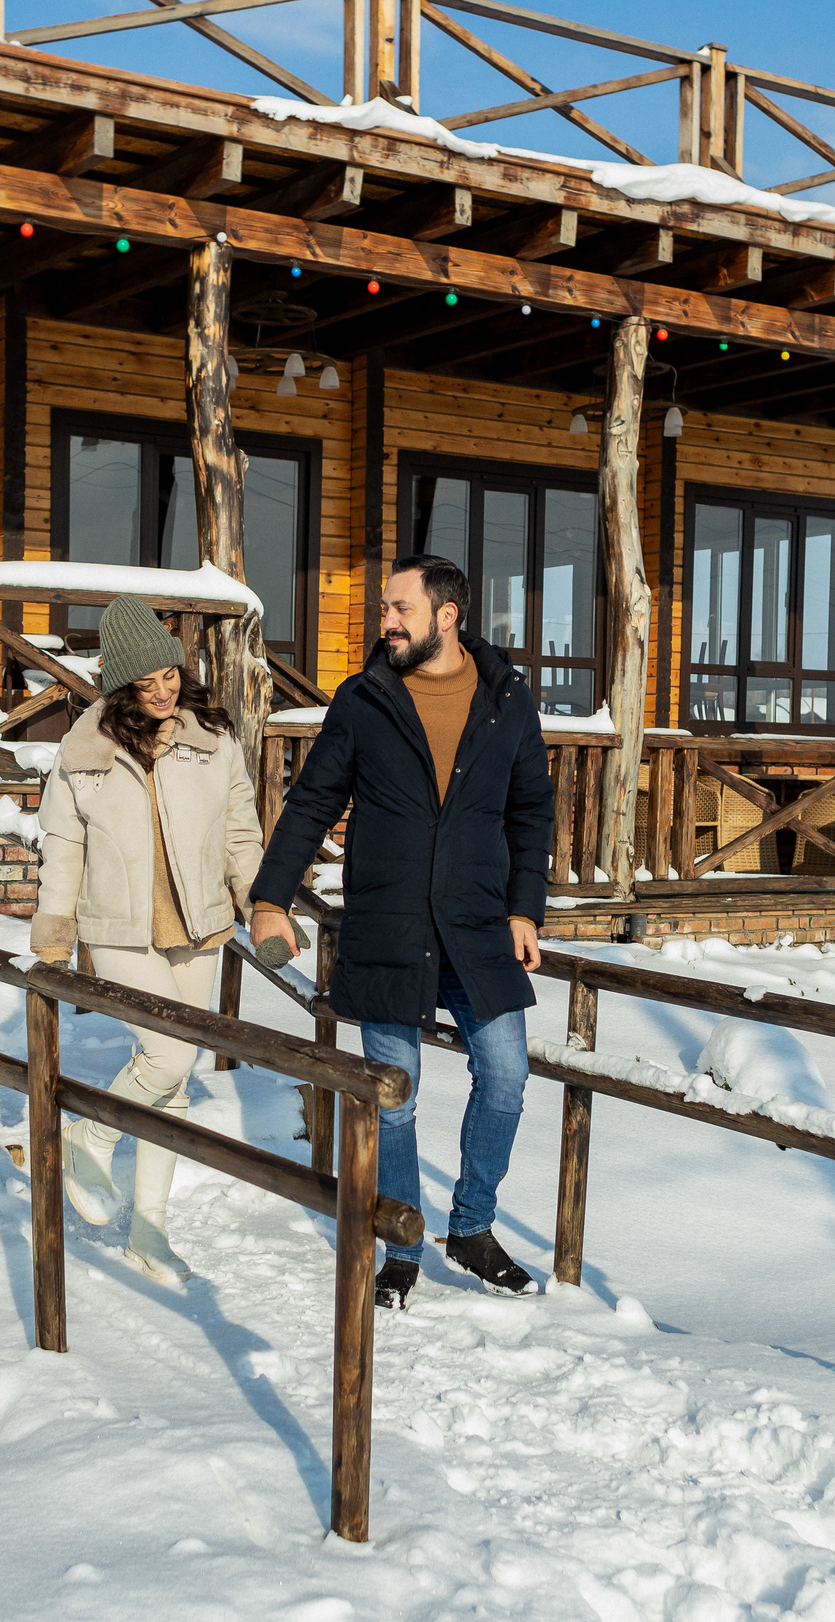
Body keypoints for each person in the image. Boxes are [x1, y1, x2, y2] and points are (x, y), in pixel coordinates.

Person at [249, 554, 552, 1309]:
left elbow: (531, 812)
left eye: (399, 609)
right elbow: (311, 802)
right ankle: (403, 1243)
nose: (385, 621)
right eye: (384, 608)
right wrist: (269, 899)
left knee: (508, 1079)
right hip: (387, 923)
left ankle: (473, 1227)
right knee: (394, 1097)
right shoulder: (364, 700)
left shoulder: (507, 700)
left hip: (477, 924)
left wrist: (524, 909)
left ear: (447, 616)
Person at [30, 595, 262, 1286]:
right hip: (120, 926)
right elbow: (63, 846)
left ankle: (148, 1230)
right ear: (120, 683)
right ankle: (91, 1134)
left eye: (170, 674)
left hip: (197, 925)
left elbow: (241, 835)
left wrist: (263, 906)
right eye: (147, 680)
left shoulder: (212, 740)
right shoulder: (84, 750)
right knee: (168, 1050)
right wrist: (54, 931)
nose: (164, 689)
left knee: (175, 1078)